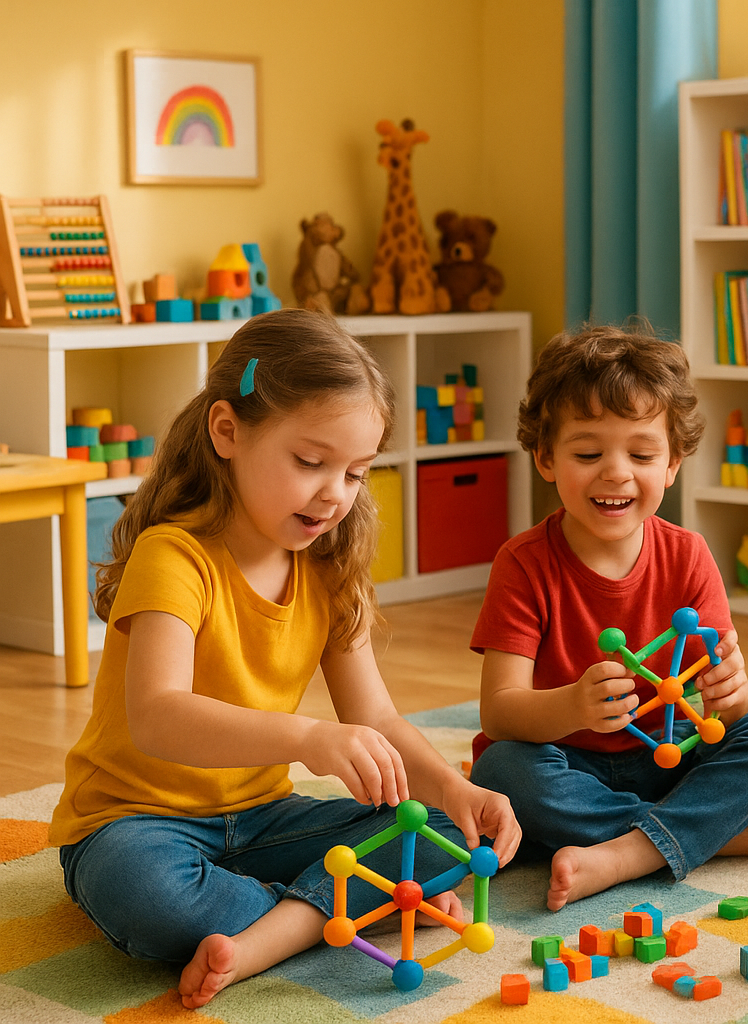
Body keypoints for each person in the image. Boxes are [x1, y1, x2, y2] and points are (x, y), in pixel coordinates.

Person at [49, 310, 519, 1009]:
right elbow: (157, 717)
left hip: (263, 818)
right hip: (133, 823)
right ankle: (342, 911)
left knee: (445, 829)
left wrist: (456, 791)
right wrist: (309, 737)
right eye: (310, 462)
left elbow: (378, 717)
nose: (335, 493)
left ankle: (276, 930)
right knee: (146, 898)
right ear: (227, 432)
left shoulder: (329, 567)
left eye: (356, 473)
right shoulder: (173, 557)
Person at [469, 322, 748, 911]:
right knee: (502, 771)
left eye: (641, 452)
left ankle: (627, 851)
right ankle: (706, 833)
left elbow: (727, 717)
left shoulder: (688, 554)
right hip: (564, 765)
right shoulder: (523, 563)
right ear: (546, 459)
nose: (616, 471)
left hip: (671, 756)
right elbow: (499, 713)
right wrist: (572, 705)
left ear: (673, 464)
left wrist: (732, 693)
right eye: (587, 452)